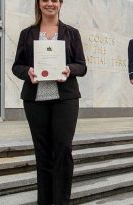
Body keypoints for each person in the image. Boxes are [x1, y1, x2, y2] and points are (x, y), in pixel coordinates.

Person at [12, 0, 87, 204]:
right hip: (35, 100)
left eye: (55, 0)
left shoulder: (72, 33)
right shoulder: (27, 34)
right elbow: (16, 66)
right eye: (45, 0)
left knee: (63, 149)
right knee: (42, 152)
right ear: (38, 3)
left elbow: (82, 66)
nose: (50, 4)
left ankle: (61, 201)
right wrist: (27, 72)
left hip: (65, 99)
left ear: (60, 4)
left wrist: (69, 69)